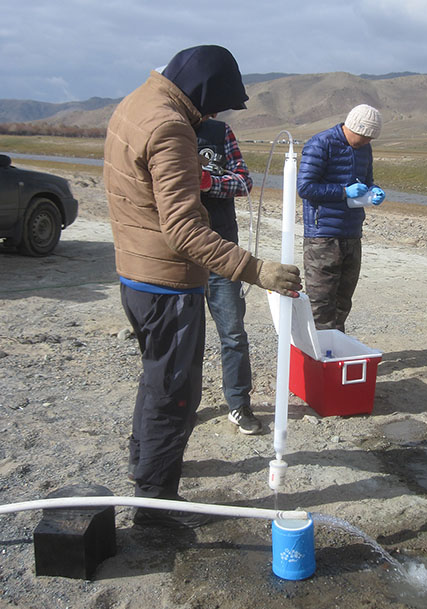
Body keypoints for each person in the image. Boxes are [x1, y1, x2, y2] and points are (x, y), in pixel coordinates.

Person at [103, 45, 301, 528]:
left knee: (157, 381)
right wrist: (255, 270)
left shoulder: (136, 103)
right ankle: (155, 510)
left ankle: (145, 469)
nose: (214, 115)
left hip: (136, 271)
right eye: (216, 103)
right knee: (174, 393)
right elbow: (184, 230)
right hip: (165, 282)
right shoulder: (171, 126)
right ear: (204, 90)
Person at [195, 117, 261, 435]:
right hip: (179, 257)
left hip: (222, 252)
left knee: (233, 335)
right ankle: (181, 406)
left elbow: (244, 181)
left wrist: (208, 183)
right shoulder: (163, 128)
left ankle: (238, 404)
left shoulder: (219, 132)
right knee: (183, 337)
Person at [297, 104, 385, 332]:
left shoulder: (365, 149)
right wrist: (343, 192)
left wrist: (373, 191)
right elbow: (305, 187)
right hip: (323, 236)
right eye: (364, 136)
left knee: (343, 302)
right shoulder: (320, 144)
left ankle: (336, 352)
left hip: (352, 233)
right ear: (353, 127)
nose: (367, 142)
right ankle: (319, 358)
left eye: (371, 138)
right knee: (321, 302)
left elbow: (366, 181)